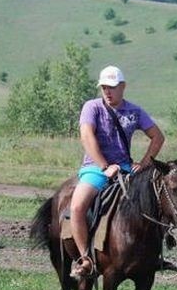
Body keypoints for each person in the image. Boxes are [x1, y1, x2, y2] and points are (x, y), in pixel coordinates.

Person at [69, 65, 165, 278]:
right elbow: (87, 137)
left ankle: (154, 254)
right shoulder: (92, 107)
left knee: (155, 200)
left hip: (126, 169)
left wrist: (145, 163)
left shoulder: (135, 111)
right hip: (95, 168)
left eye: (112, 87)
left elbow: (158, 136)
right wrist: (104, 166)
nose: (107, 92)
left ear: (123, 87)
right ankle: (85, 259)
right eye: (104, 87)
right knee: (76, 207)